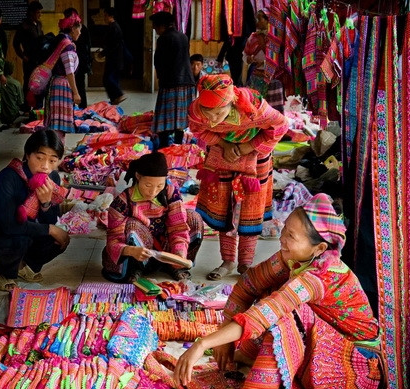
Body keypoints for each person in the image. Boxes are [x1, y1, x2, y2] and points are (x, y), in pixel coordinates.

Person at [174, 194, 384, 389]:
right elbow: (248, 284)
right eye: (285, 230)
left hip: (354, 370)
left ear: (319, 248)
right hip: (325, 348)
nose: (282, 238)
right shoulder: (295, 258)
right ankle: (257, 367)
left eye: (291, 236)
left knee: (281, 314)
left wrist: (204, 343)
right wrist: (223, 338)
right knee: (270, 293)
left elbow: (266, 313)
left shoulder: (320, 277)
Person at [188, 74, 287, 279]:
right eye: (208, 113)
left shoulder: (255, 107)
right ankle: (228, 261)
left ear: (232, 102)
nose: (212, 119)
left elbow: (280, 126)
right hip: (223, 156)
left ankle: (245, 263)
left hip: (255, 158)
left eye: (218, 113)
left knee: (250, 209)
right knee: (224, 207)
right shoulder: (197, 111)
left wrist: (248, 147)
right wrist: (224, 145)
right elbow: (197, 129)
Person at [0, 129, 70, 291]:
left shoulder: (52, 178)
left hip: (27, 227)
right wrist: (49, 229)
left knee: (58, 240)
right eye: (39, 158)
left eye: (52, 160)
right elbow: (8, 225)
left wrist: (46, 203)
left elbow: (51, 220)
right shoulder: (8, 178)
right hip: (0, 231)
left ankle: (23, 265)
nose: (45, 166)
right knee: (20, 239)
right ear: (28, 155)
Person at [102, 152, 203, 282]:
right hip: (138, 254)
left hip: (165, 250)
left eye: (159, 186)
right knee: (133, 224)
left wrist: (179, 253)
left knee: (194, 217)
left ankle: (175, 266)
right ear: (138, 176)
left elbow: (178, 227)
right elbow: (113, 241)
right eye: (148, 185)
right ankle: (136, 268)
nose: (153, 192)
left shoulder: (170, 192)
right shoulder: (123, 201)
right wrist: (131, 250)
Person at [151, 11, 195, 148]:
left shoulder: (164, 38)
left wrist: (160, 79)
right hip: (186, 81)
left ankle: (164, 147)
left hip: (171, 83)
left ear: (162, 25)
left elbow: (159, 62)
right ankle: (178, 146)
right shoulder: (183, 36)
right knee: (180, 118)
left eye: (155, 26)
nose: (154, 29)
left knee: (165, 117)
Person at [44, 14, 82, 140]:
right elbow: (69, 71)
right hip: (62, 86)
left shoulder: (60, 41)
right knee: (59, 124)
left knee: (56, 121)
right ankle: (57, 146)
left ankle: (56, 146)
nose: (80, 33)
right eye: (79, 29)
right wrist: (76, 93)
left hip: (55, 83)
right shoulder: (67, 46)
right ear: (73, 29)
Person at [13, 1, 44, 104]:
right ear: (31, 12)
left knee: (39, 81)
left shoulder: (39, 24)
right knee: (28, 82)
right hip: (29, 59)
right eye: (38, 12)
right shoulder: (24, 26)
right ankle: (26, 106)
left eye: (40, 12)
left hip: (39, 59)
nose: (40, 15)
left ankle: (37, 105)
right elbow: (16, 43)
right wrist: (22, 56)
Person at [65, 7, 92, 108]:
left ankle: (82, 108)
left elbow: (88, 46)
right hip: (70, 62)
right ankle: (74, 108)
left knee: (80, 86)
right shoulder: (65, 32)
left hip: (80, 62)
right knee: (72, 86)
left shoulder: (82, 29)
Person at [102, 7, 126, 105]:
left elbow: (112, 45)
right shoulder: (112, 27)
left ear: (110, 16)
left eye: (105, 15)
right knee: (111, 79)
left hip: (114, 58)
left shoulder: (114, 27)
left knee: (107, 79)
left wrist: (103, 53)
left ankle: (119, 94)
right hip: (114, 58)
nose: (104, 18)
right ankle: (114, 99)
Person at [244, 10, 269, 96]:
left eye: (259, 19)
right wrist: (249, 59)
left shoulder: (274, 38)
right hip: (255, 76)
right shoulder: (252, 37)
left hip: (271, 77)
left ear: (267, 20)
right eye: (256, 19)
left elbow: (278, 57)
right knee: (254, 99)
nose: (257, 22)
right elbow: (245, 55)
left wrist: (265, 63)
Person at [0, 61, 25, 125]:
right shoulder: (16, 84)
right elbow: (20, 101)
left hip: (0, 115)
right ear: (12, 71)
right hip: (13, 115)